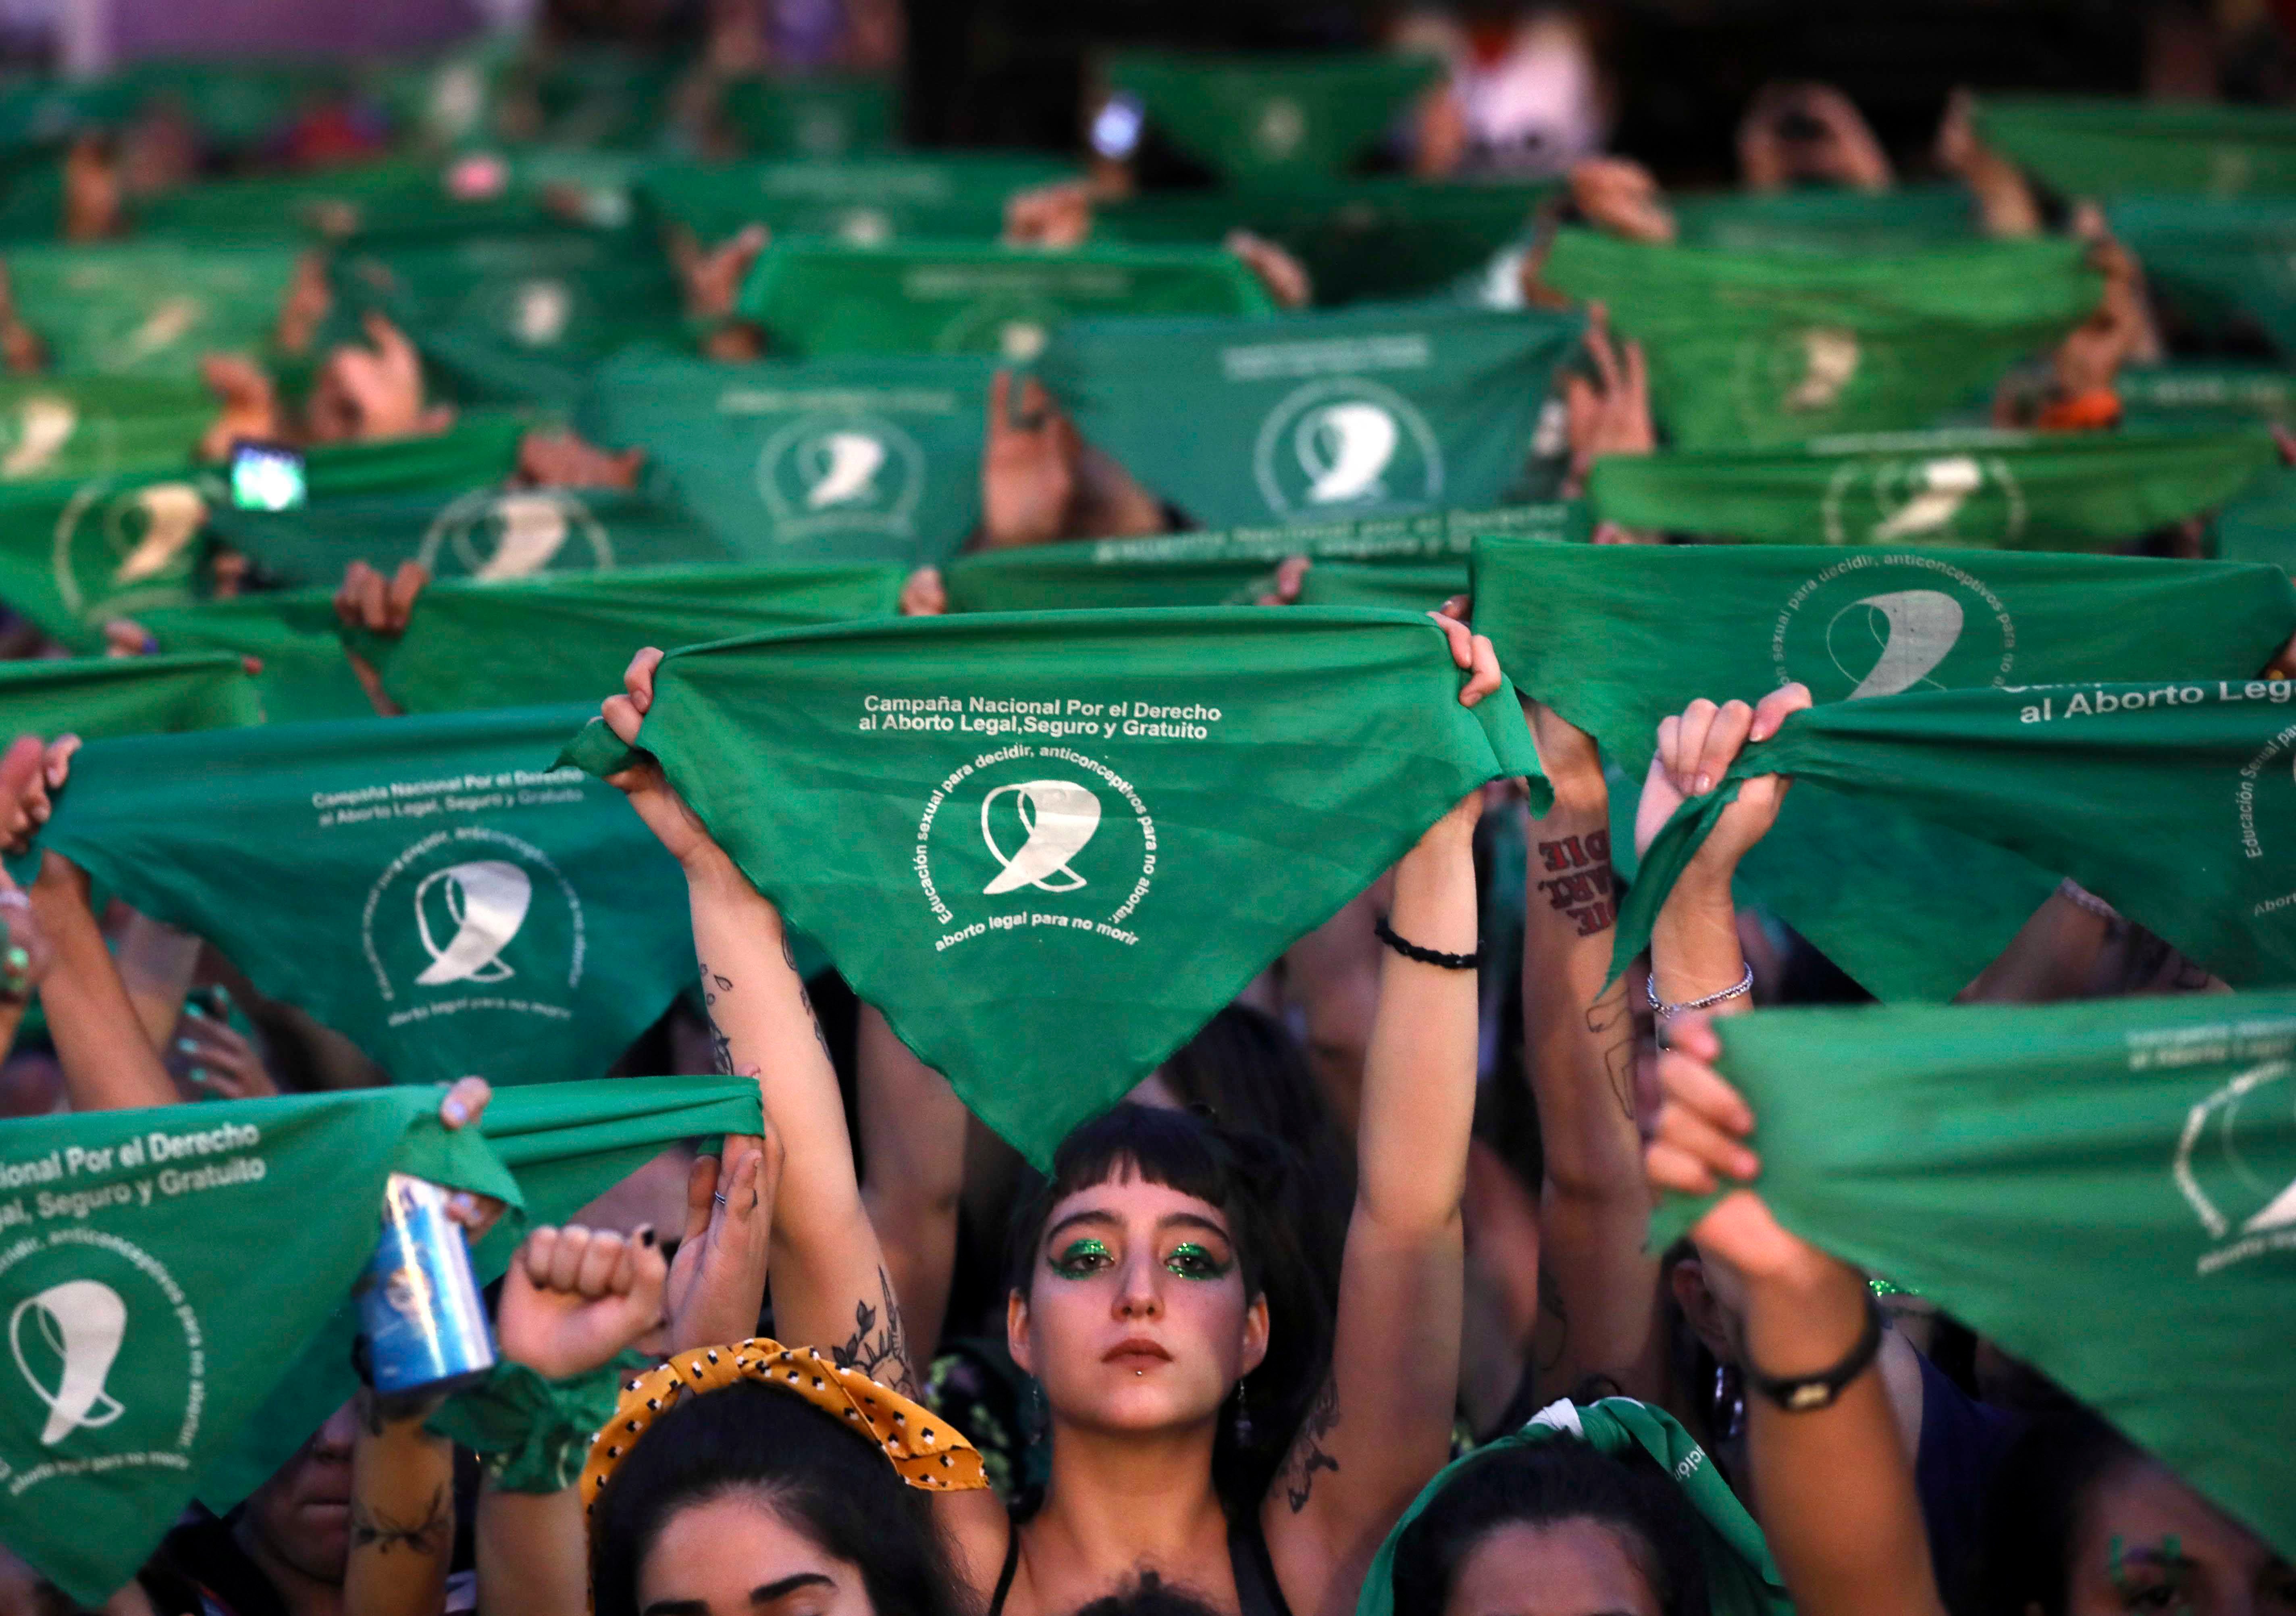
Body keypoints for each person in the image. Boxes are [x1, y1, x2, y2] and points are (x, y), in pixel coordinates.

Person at [594, 611, 1499, 1614]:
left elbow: (1410, 1222)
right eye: (1085, 1255)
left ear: (1254, 1330)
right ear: (1019, 1327)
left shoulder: (1326, 1558)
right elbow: (820, 1221)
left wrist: (1438, 837)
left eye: (1192, 1259)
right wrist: (718, 877)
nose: (1139, 1294)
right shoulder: (947, 1561)